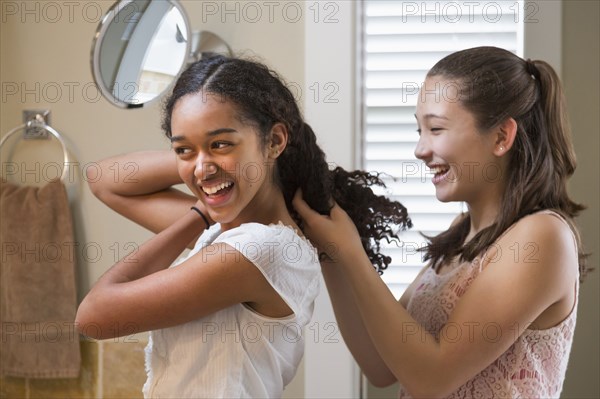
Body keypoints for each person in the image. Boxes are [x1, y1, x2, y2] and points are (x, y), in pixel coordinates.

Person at [75, 55, 410, 398]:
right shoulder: (231, 230)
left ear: (275, 141)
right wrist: (202, 160)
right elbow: (104, 179)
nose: (202, 169)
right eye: (182, 149)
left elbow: (94, 316)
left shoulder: (256, 250)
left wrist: (199, 203)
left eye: (221, 143)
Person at [293, 46, 589, 398]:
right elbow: (380, 366)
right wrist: (332, 254)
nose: (420, 149)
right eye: (419, 130)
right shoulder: (460, 238)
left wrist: (351, 251)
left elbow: (430, 378)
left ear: (501, 137)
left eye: (435, 128)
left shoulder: (542, 237)